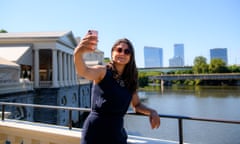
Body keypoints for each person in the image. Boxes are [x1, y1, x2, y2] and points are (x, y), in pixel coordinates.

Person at [73, 31, 160, 144]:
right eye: (119, 50)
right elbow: (83, 71)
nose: (122, 53)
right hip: (96, 131)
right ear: (112, 52)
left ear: (130, 56)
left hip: (116, 133)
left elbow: (137, 105)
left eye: (127, 51)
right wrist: (78, 53)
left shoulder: (130, 80)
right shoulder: (103, 71)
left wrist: (152, 112)